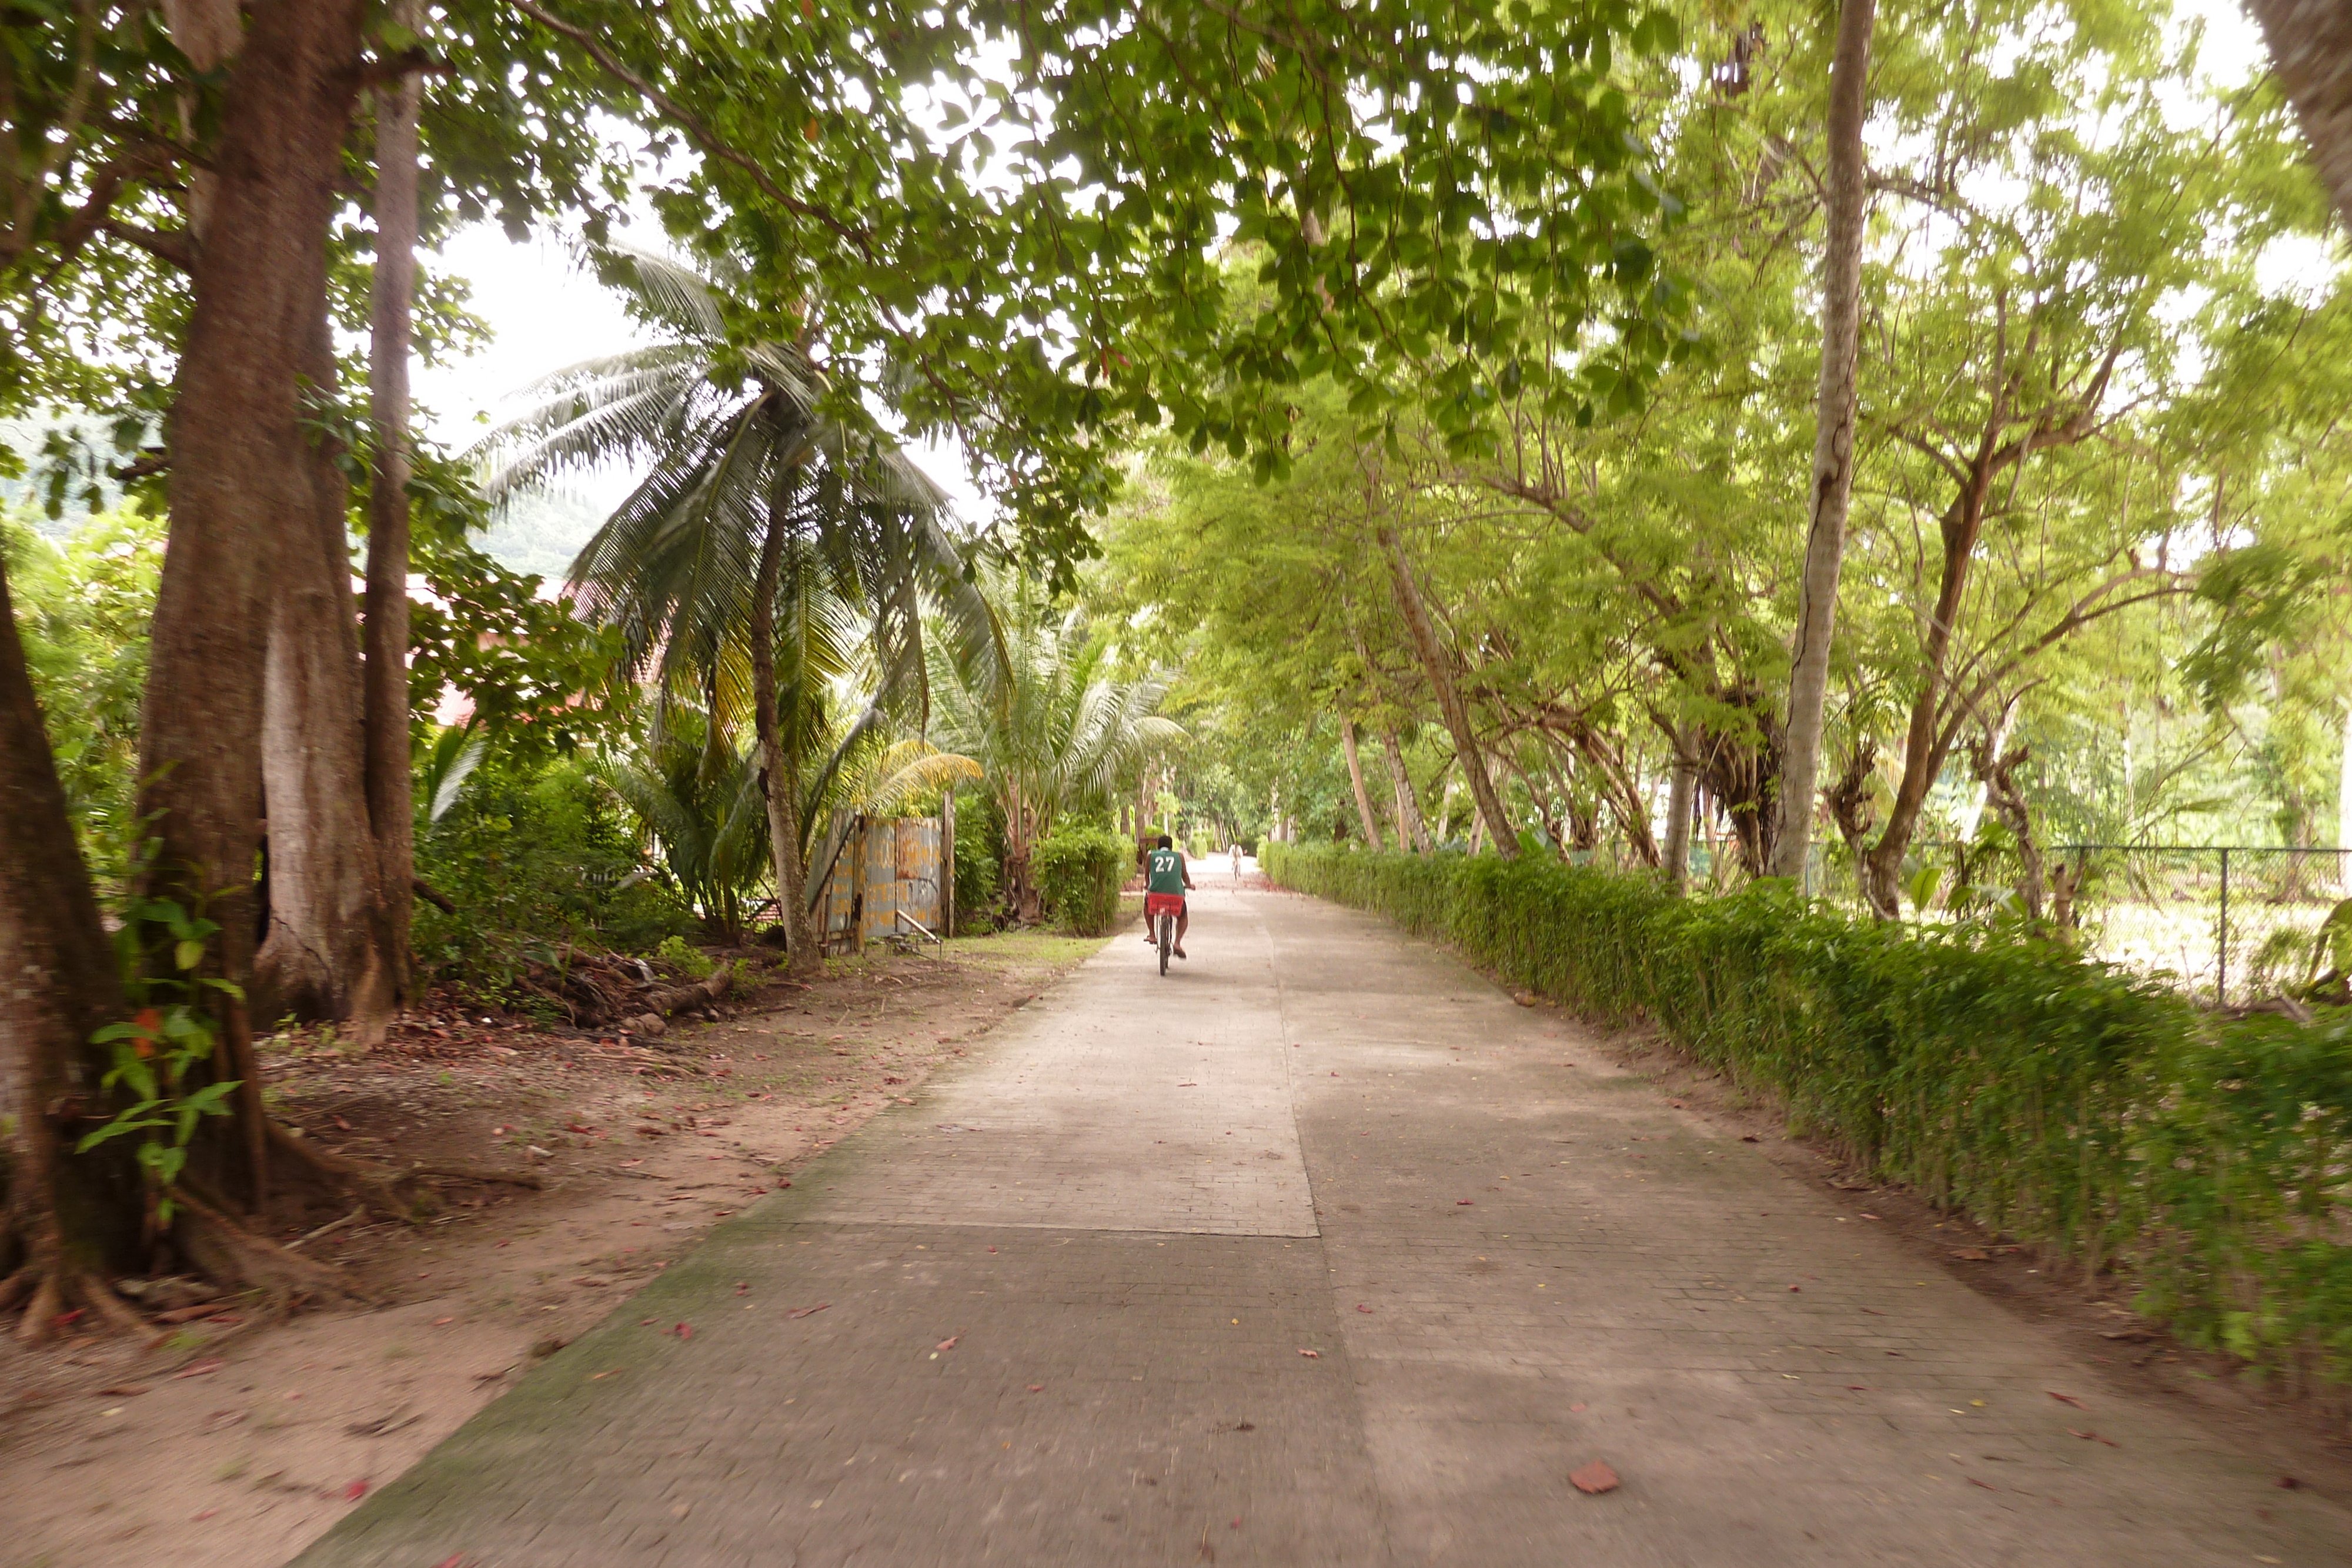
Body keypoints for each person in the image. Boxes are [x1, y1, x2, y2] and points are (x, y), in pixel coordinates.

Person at [1144, 833, 1193, 959]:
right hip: (1176, 897)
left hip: (1156, 895)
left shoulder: (1151, 856)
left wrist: (1148, 885)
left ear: (1158, 846)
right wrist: (1189, 885)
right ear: (1171, 847)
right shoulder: (1179, 856)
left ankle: (1152, 934)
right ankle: (1177, 943)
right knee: (1183, 916)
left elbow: (1147, 875)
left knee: (1147, 903)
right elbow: (1184, 875)